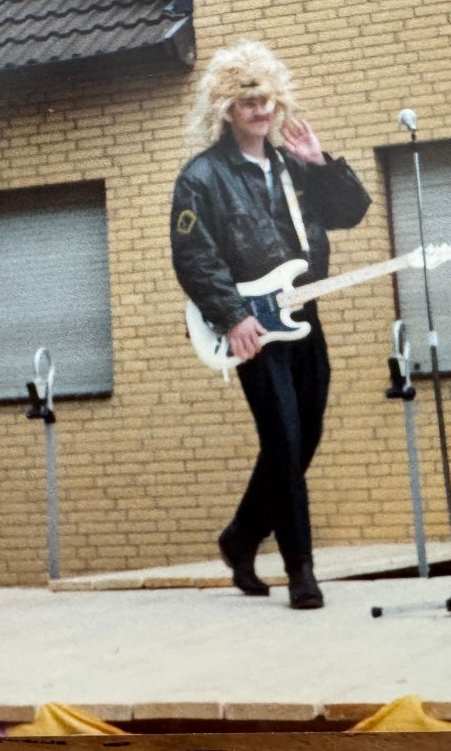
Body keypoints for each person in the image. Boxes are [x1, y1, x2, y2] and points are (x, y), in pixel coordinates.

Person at [170, 39, 371, 609]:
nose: (259, 110)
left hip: (303, 314)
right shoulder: (202, 176)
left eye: (265, 99)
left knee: (304, 437)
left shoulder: (292, 165)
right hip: (252, 327)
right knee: (282, 439)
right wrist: (232, 317)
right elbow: (194, 255)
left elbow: (352, 213)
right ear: (226, 110)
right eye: (246, 101)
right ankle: (300, 571)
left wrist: (320, 163)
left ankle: (240, 536)